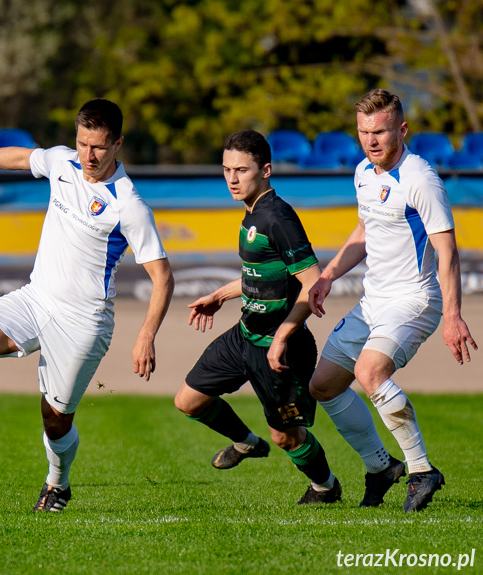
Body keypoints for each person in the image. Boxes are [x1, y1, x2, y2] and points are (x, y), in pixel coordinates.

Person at [0, 98, 174, 512]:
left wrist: (146, 336)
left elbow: (163, 277)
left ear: (118, 144)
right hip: (36, 298)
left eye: (99, 147)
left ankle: (58, 484)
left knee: (55, 419)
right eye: (82, 143)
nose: (88, 155)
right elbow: (21, 157)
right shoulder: (62, 162)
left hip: (84, 322)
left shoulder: (129, 206)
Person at [308, 89, 477, 512]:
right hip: (373, 301)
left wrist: (454, 316)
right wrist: (328, 276)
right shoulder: (364, 171)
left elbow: (447, 250)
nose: (371, 141)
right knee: (323, 386)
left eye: (380, 131)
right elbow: (365, 232)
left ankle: (421, 471)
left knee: (369, 371)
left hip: (414, 300)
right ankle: (381, 467)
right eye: (364, 132)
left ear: (402, 129)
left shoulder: (420, 177)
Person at [174, 130, 342, 505]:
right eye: (226, 169)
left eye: (241, 170)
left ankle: (325, 487)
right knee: (188, 401)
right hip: (245, 336)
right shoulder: (251, 213)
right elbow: (262, 276)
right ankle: (247, 442)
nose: (232, 179)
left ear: (265, 170)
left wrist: (282, 336)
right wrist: (219, 294)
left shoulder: (278, 218)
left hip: (281, 348)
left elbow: (313, 284)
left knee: (287, 437)